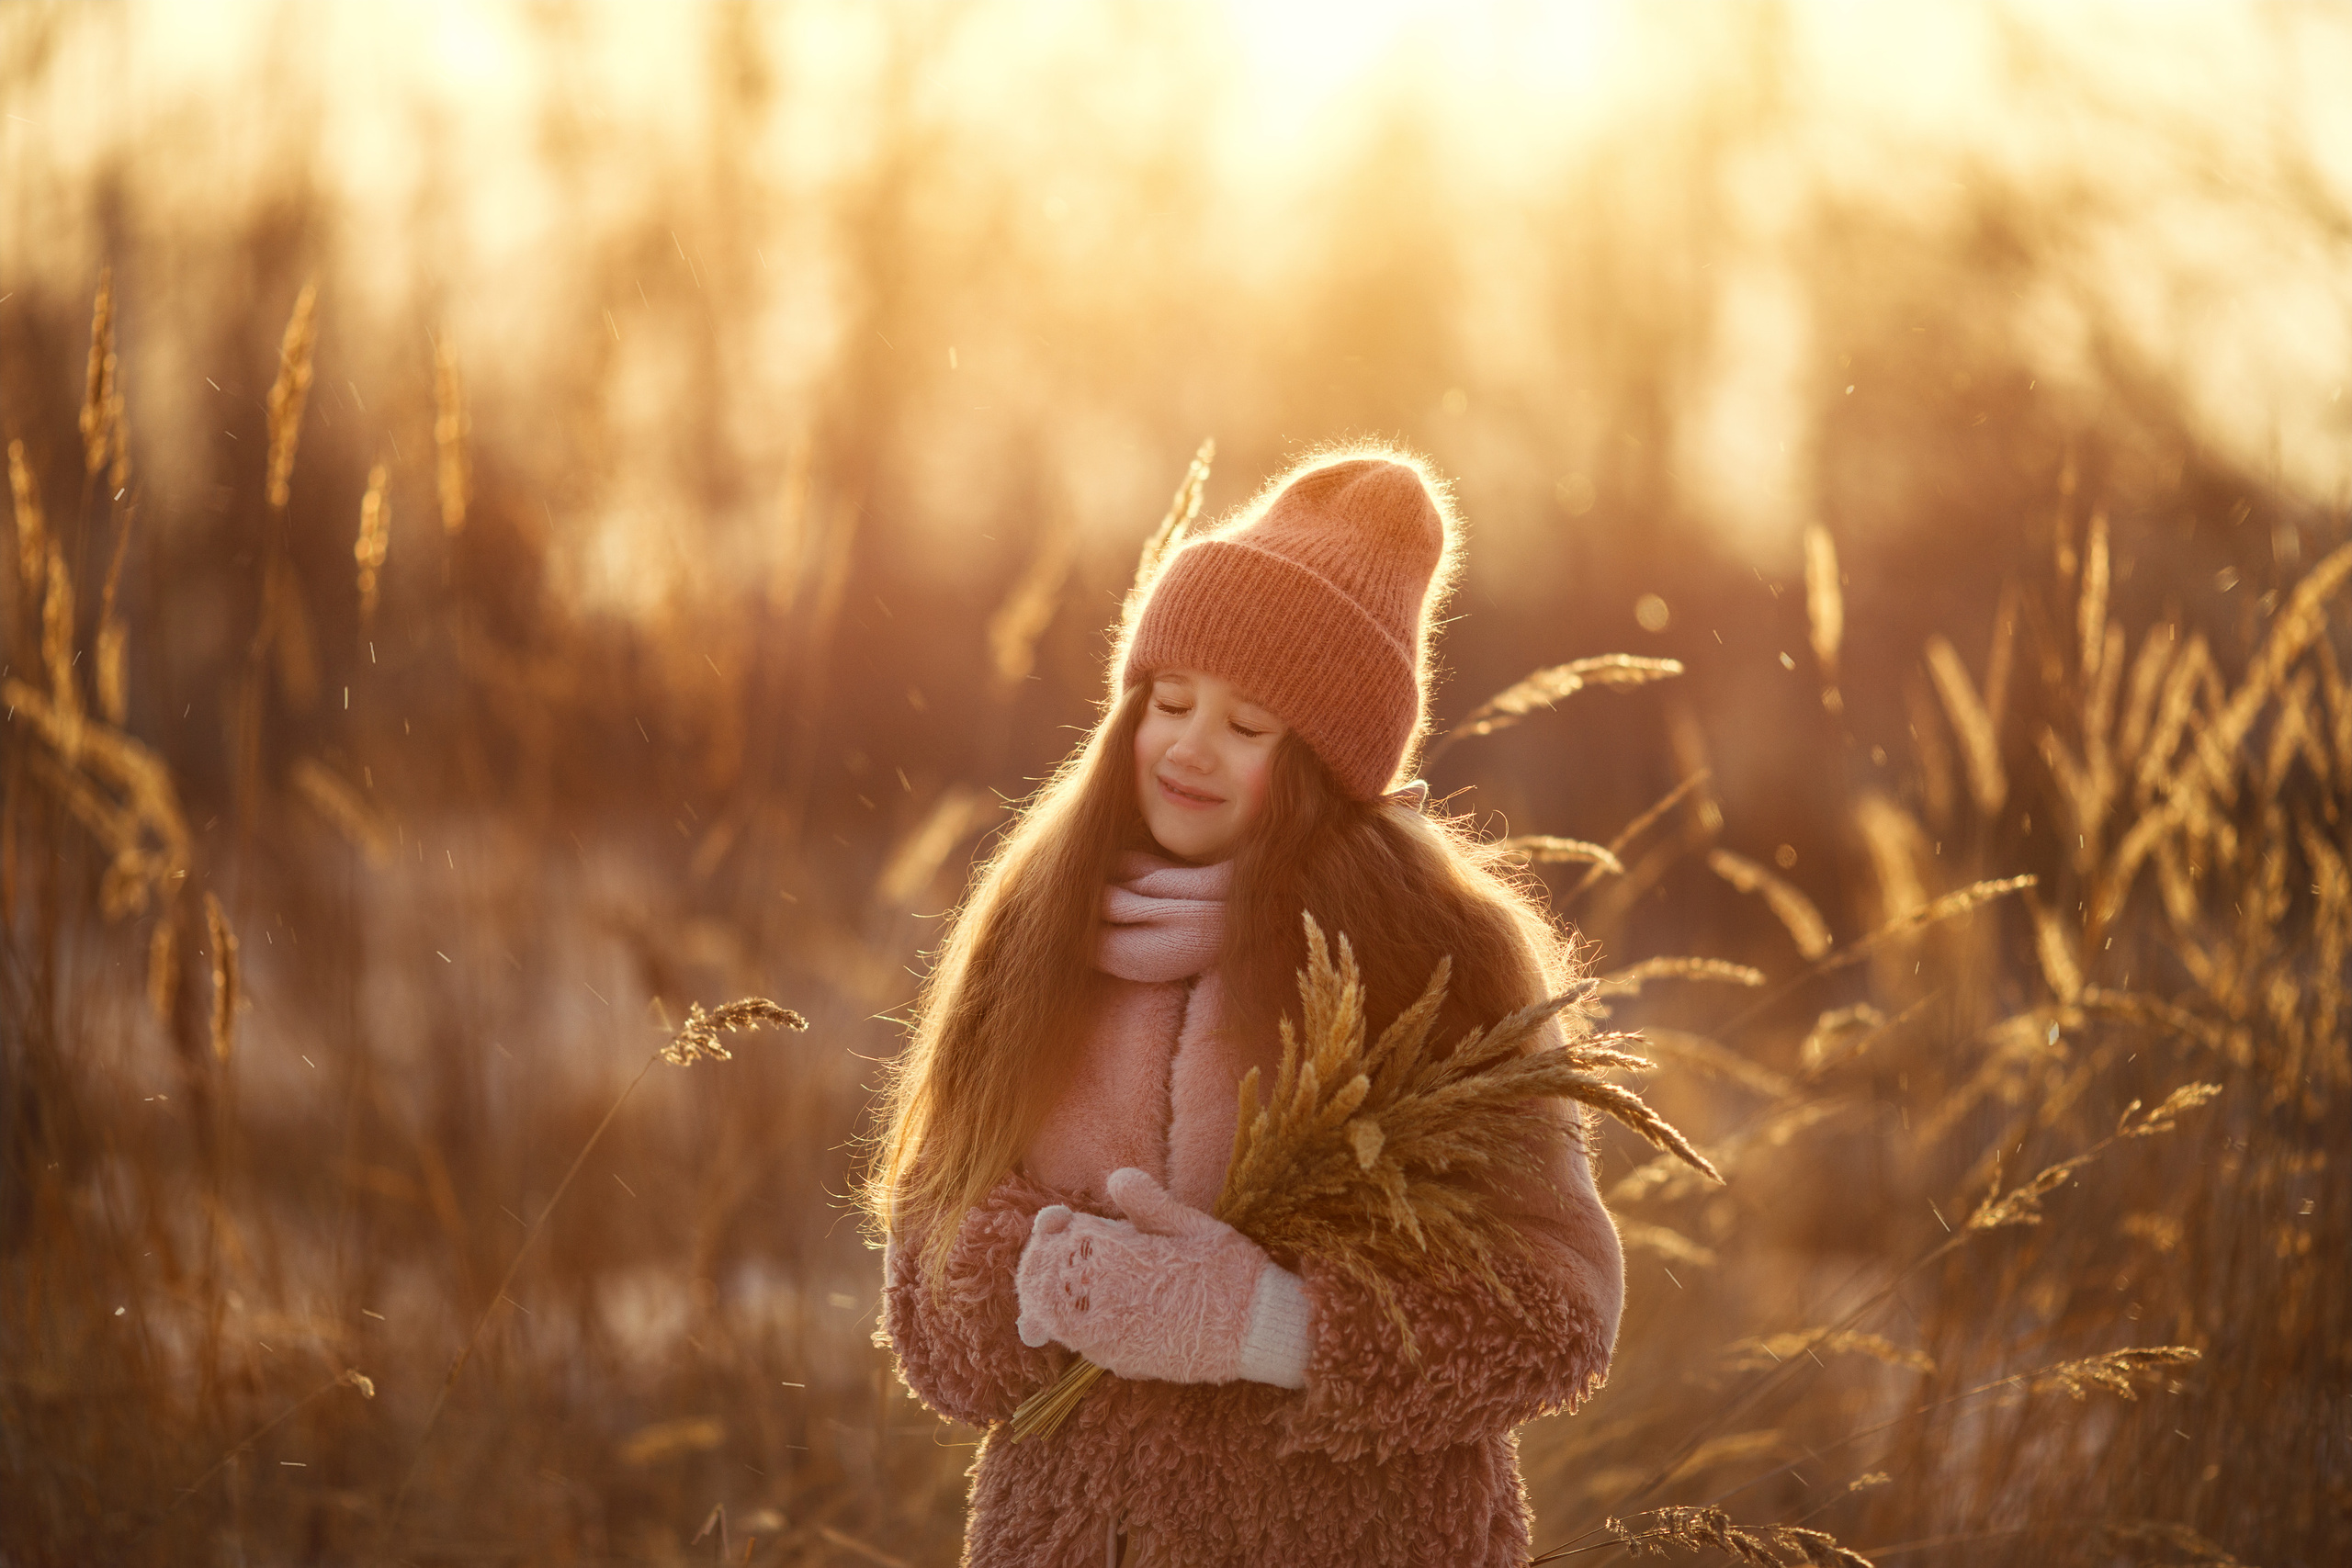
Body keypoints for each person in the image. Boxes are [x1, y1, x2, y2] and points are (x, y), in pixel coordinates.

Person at [861, 447, 1626, 1566]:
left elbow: (1558, 1315)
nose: (1189, 747)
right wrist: (1039, 1279)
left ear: (1326, 759)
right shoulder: (1039, 925)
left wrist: (1266, 1324)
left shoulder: (1443, 959)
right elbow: (929, 1294)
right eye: (1169, 701)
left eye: (1249, 725)